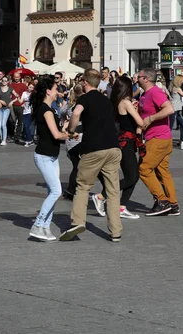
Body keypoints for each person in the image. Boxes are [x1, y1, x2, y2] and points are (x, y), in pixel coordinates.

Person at [59, 69, 122, 242]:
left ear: (85, 82)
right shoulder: (106, 99)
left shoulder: (84, 98)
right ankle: (115, 231)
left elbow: (77, 112)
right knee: (113, 191)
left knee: (83, 186)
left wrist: (71, 129)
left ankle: (78, 222)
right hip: (113, 148)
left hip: (94, 148)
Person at [93, 76, 145, 220]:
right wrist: (138, 111)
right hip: (126, 141)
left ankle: (122, 206)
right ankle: (101, 196)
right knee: (132, 176)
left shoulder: (117, 101)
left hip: (125, 140)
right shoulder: (126, 102)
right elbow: (140, 122)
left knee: (133, 176)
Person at [26, 77, 70, 241]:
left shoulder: (50, 109)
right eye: (55, 88)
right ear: (48, 91)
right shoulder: (45, 110)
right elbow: (57, 135)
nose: (58, 91)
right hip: (44, 156)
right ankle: (37, 225)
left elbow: (59, 130)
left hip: (52, 156)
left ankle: (45, 227)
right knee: (57, 191)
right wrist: (71, 135)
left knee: (52, 191)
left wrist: (66, 126)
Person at [137, 68, 178, 216]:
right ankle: (173, 204)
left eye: (139, 76)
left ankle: (162, 201)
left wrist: (151, 118)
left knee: (144, 169)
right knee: (162, 172)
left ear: (146, 79)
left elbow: (169, 109)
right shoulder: (145, 94)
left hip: (158, 138)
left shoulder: (155, 92)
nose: (136, 78)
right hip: (161, 138)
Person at [0, 76, 18, 146]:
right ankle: (1, 138)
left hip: (7, 108)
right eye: (3, 80)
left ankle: (4, 140)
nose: (4, 82)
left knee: (3, 124)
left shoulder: (10, 89)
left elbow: (17, 96)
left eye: (5, 80)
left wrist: (12, 102)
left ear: (8, 82)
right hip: (0, 108)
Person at [169, 75, 183, 149]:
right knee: (182, 125)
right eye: (182, 80)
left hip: (176, 110)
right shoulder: (178, 89)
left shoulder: (172, 88)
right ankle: (182, 143)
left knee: (173, 126)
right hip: (175, 109)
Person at [10, 71, 27, 142]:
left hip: (20, 105)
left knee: (20, 122)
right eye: (15, 77)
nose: (16, 78)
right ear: (13, 77)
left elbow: (26, 95)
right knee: (12, 121)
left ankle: (17, 136)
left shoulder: (23, 85)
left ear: (20, 77)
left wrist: (24, 103)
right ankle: (11, 134)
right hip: (12, 105)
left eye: (17, 77)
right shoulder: (11, 85)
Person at [21, 82, 35, 147]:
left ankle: (28, 140)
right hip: (25, 111)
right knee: (25, 126)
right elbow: (21, 101)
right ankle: (31, 140)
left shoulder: (34, 94)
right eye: (30, 87)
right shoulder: (24, 93)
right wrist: (18, 99)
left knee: (27, 126)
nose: (31, 89)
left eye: (32, 87)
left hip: (31, 112)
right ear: (27, 87)